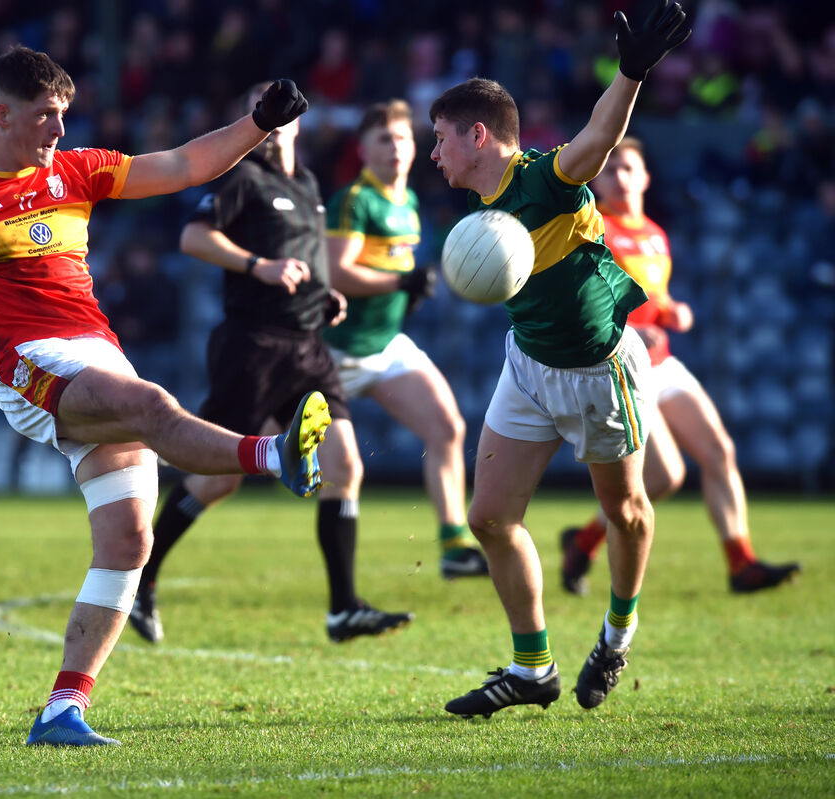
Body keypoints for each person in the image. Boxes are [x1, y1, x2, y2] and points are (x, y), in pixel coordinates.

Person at [0, 48, 331, 748]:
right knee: (151, 404)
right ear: (2, 114)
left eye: (64, 115)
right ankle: (273, 454)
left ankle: (62, 709)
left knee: (129, 539)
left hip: (95, 350)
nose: (57, 129)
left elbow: (182, 165)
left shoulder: (74, 169)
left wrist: (257, 123)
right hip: (29, 368)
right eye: (47, 116)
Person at [430, 2, 691, 719]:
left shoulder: (547, 177)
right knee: (488, 518)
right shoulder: (480, 211)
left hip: (598, 369)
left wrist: (631, 71)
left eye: (441, 139)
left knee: (627, 512)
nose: (435, 154)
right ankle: (531, 667)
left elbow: (600, 138)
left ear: (478, 134)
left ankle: (616, 634)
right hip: (527, 365)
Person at [126, 82, 414, 648]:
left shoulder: (306, 184)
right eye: (264, 109)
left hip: (307, 348)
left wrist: (326, 296)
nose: (278, 120)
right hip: (252, 347)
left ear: (301, 121)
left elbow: (308, 259)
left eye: (287, 112)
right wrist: (257, 265)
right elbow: (192, 236)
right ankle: (140, 581)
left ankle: (342, 608)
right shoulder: (242, 176)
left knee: (346, 465)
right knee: (219, 478)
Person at [559, 138, 800, 596]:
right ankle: (584, 542)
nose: (620, 177)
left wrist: (671, 311)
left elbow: (653, 296)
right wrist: (631, 327)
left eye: (629, 168)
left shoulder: (654, 233)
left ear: (646, 177)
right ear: (597, 180)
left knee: (719, 451)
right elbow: (583, 305)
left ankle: (741, 564)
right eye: (610, 170)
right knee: (665, 476)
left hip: (661, 361)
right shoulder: (594, 229)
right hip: (622, 364)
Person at [324, 99, 488, 580]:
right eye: (383, 139)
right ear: (363, 149)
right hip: (332, 352)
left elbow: (392, 273)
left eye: (401, 138)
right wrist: (402, 283)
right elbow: (337, 271)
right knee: (249, 458)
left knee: (447, 427)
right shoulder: (357, 200)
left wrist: (409, 292)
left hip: (385, 344)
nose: (395, 148)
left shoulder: (409, 202)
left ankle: (454, 545)